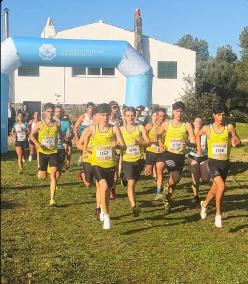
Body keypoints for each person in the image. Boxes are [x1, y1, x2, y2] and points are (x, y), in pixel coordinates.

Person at [196, 104, 240, 228]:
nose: (221, 118)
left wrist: (235, 142)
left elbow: (237, 140)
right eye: (219, 115)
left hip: (225, 163)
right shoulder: (207, 128)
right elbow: (198, 135)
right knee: (221, 186)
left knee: (215, 190)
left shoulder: (229, 127)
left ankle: (204, 205)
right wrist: (199, 148)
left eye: (223, 115)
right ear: (214, 115)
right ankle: (218, 215)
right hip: (212, 162)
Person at [83, 104, 126, 230]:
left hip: (110, 165)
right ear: (97, 116)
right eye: (102, 115)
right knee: (104, 186)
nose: (105, 117)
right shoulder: (93, 128)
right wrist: (86, 150)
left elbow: (124, 146)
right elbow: (85, 138)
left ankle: (103, 208)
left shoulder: (114, 129)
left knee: (106, 191)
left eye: (107, 114)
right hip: (96, 164)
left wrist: (115, 146)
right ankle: (107, 216)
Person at [160, 101, 195, 214]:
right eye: (177, 111)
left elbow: (194, 141)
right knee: (175, 175)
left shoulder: (187, 125)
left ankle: (167, 198)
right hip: (168, 154)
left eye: (181, 111)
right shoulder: (167, 123)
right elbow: (157, 135)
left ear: (183, 112)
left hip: (180, 155)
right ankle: (165, 192)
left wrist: (188, 144)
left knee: (177, 178)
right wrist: (160, 144)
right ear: (173, 112)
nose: (179, 113)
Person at [29, 103, 65, 206]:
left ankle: (52, 199)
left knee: (53, 175)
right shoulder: (40, 124)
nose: (50, 113)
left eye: (51, 112)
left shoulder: (56, 124)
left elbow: (61, 136)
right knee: (42, 177)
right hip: (43, 153)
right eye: (48, 111)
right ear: (44, 112)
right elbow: (31, 135)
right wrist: (38, 144)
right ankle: (40, 170)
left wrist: (60, 142)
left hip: (53, 152)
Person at [120, 106, 150, 216]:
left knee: (133, 182)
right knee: (131, 183)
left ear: (135, 115)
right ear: (124, 117)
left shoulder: (140, 128)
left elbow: (148, 142)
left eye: (132, 115)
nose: (130, 117)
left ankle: (123, 176)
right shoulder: (121, 129)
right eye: (128, 116)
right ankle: (134, 206)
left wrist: (140, 142)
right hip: (127, 160)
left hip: (139, 160)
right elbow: (116, 143)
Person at [145, 108, 167, 201]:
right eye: (160, 116)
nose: (162, 118)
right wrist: (150, 144)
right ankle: (154, 177)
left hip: (161, 152)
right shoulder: (150, 125)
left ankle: (158, 193)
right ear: (156, 116)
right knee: (148, 173)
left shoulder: (166, 126)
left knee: (160, 171)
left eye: (163, 116)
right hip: (150, 151)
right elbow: (143, 138)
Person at [187, 117, 210, 203]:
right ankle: (196, 195)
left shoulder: (205, 133)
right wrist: (191, 145)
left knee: (205, 179)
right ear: (193, 123)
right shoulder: (189, 132)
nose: (199, 122)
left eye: (200, 121)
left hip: (204, 156)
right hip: (193, 157)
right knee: (195, 179)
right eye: (197, 121)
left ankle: (201, 173)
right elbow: (185, 143)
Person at [108, 100, 123, 199]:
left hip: (117, 148)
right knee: (108, 170)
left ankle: (112, 188)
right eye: (114, 107)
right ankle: (108, 188)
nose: (116, 109)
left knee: (117, 170)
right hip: (107, 147)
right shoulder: (105, 119)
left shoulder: (120, 120)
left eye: (117, 107)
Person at [73, 102, 95, 166]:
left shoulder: (94, 117)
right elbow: (75, 126)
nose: (91, 109)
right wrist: (76, 137)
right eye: (90, 108)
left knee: (87, 148)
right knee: (81, 147)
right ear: (87, 109)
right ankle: (82, 158)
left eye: (92, 108)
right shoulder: (83, 116)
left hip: (90, 137)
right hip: (81, 136)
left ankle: (84, 159)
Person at [53, 105, 71, 183]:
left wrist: (67, 137)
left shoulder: (66, 123)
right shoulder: (50, 121)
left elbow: (68, 134)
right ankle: (53, 181)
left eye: (60, 111)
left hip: (61, 147)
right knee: (54, 167)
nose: (58, 113)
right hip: (51, 148)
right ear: (54, 112)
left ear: (62, 112)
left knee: (59, 168)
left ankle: (54, 182)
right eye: (57, 111)